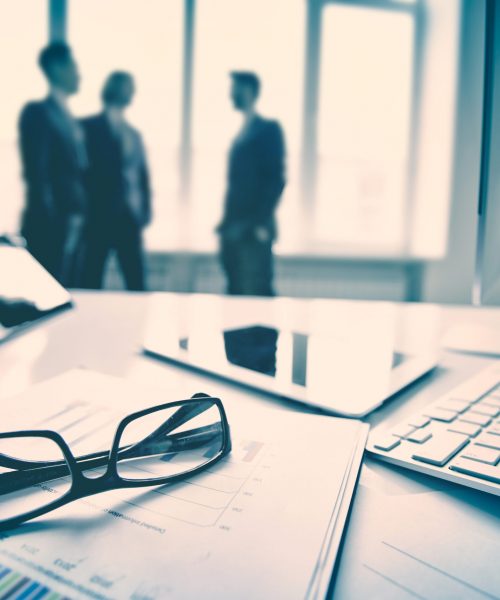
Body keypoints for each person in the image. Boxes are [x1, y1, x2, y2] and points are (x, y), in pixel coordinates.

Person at [18, 43, 87, 285]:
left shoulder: (68, 117)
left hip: (73, 221)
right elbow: (37, 173)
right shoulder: (38, 113)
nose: (79, 73)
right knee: (48, 294)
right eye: (73, 66)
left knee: (69, 292)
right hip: (52, 224)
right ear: (57, 69)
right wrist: (54, 222)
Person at [217, 71, 286, 296]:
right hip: (233, 229)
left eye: (237, 89)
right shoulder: (241, 133)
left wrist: (258, 224)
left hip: (253, 231)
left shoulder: (268, 129)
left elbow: (276, 180)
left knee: (256, 294)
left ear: (251, 92)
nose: (232, 95)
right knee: (235, 292)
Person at [81, 71, 151, 291]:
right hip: (98, 216)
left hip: (129, 218)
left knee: (136, 281)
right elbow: (81, 173)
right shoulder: (88, 127)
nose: (132, 93)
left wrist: (145, 211)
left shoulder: (134, 134)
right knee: (91, 278)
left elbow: (142, 177)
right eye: (128, 87)